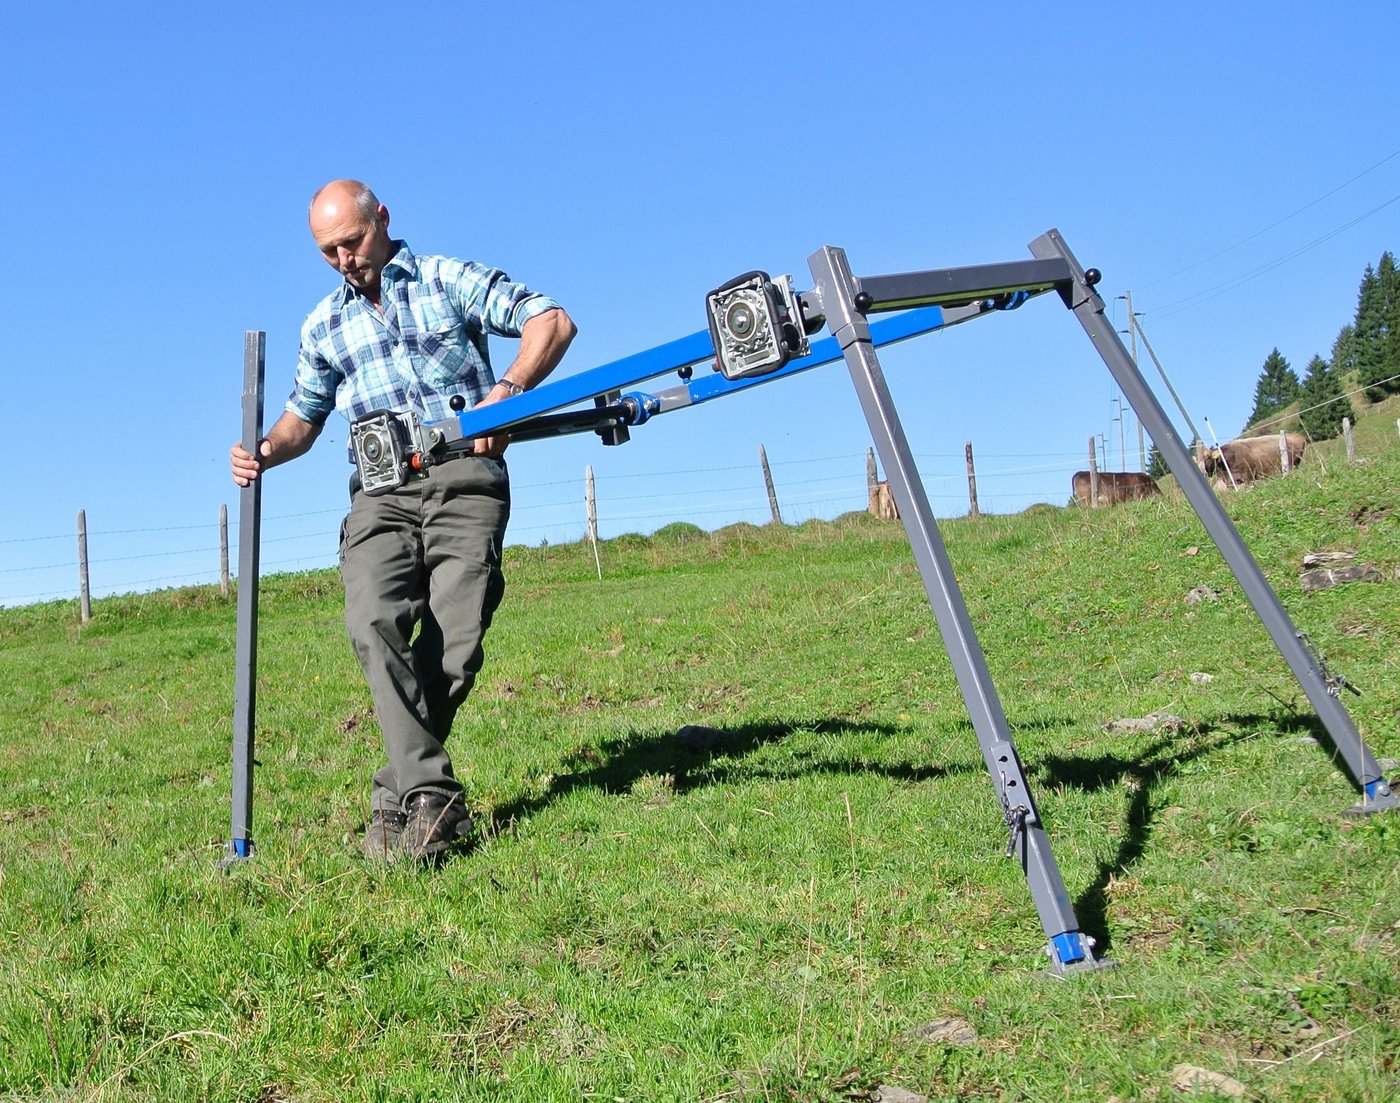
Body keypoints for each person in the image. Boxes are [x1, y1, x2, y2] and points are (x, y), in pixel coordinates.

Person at [231, 179, 575, 862]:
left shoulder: (448, 279)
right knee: (372, 621)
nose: (343, 259)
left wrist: (507, 391)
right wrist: (264, 453)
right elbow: (305, 417)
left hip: (463, 477)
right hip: (380, 491)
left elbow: (551, 321)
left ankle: (399, 798)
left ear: (382, 219)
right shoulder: (323, 324)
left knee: (455, 646)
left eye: (351, 242)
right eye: (328, 251)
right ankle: (434, 794)